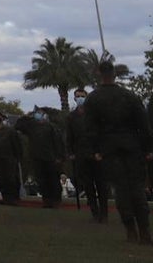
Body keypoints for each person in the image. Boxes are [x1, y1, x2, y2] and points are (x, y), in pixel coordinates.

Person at [85, 60, 153, 245]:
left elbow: (90, 129)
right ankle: (145, 232)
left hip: (109, 149)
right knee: (137, 189)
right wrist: (148, 148)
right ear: (114, 73)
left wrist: (96, 151)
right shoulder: (129, 96)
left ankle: (131, 231)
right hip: (132, 146)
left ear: (99, 73)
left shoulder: (93, 99)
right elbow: (144, 125)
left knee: (122, 191)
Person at [66, 87, 109, 223]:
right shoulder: (71, 117)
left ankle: (104, 213)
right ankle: (95, 213)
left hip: (96, 154)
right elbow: (69, 137)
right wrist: (71, 153)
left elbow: (102, 134)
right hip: (81, 154)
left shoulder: (95, 115)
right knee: (88, 185)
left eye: (82, 96)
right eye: (77, 96)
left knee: (101, 184)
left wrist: (101, 152)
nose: (80, 98)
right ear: (74, 98)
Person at [15, 107, 65, 208]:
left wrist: (59, 156)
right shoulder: (32, 126)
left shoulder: (52, 127)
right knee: (41, 180)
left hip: (51, 158)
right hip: (37, 158)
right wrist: (25, 117)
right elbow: (18, 126)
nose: (37, 114)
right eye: (36, 113)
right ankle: (46, 200)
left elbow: (58, 143)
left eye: (40, 113)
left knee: (53, 180)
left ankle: (56, 200)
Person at [0, 112, 23, 205]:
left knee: (11, 178)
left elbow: (16, 144)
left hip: (10, 158)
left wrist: (18, 157)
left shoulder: (10, 131)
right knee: (1, 179)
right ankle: (6, 197)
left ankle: (14, 198)